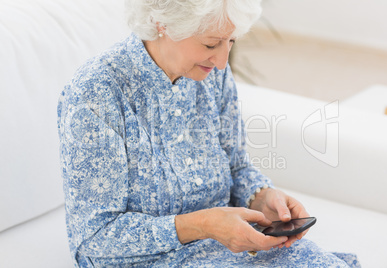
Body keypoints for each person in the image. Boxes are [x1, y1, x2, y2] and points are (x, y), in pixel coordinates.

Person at [57, 0, 360, 267]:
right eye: (211, 44)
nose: (222, 61)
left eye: (231, 41)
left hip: (224, 247)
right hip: (142, 260)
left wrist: (261, 197)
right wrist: (204, 225)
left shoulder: (210, 72)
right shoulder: (96, 94)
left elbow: (236, 166)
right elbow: (94, 238)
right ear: (163, 23)